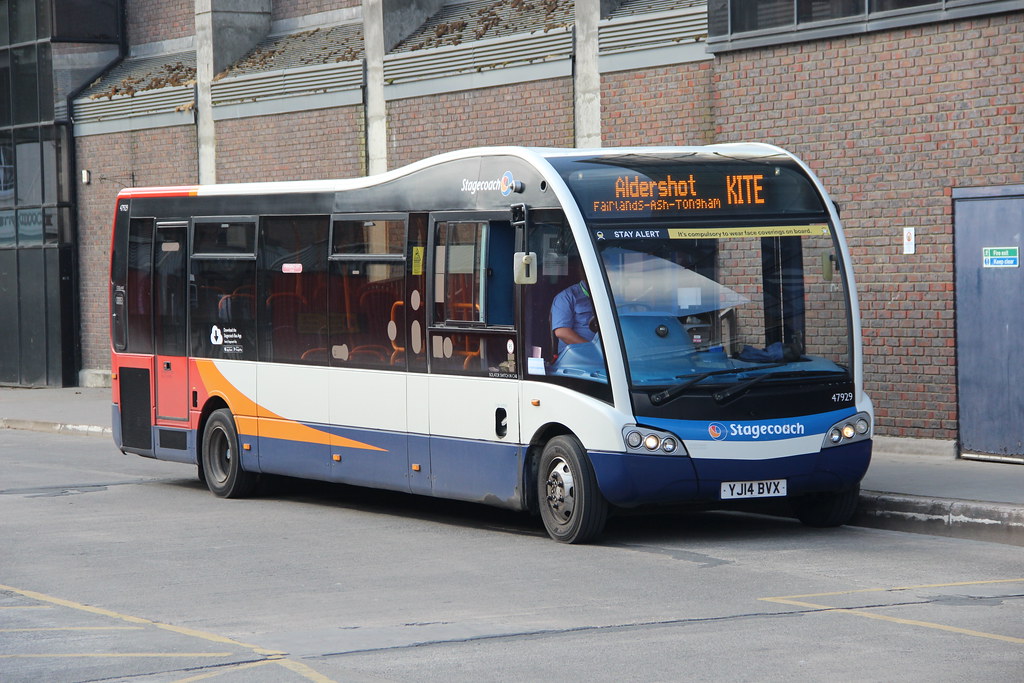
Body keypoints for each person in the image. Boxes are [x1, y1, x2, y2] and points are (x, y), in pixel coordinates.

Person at [551, 279, 596, 354]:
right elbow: (562, 332)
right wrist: (593, 350)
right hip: (576, 355)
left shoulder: (608, 295)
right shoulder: (565, 297)